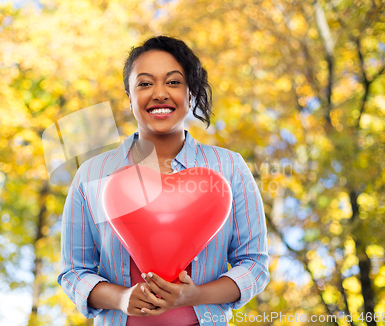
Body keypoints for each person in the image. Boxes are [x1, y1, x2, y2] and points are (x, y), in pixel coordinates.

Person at [57, 35, 270, 326]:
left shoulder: (229, 167)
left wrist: (195, 295)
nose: (159, 94)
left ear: (190, 93)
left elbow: (255, 264)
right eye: (144, 83)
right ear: (129, 97)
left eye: (173, 82)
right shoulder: (92, 175)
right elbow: (74, 271)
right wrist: (121, 298)